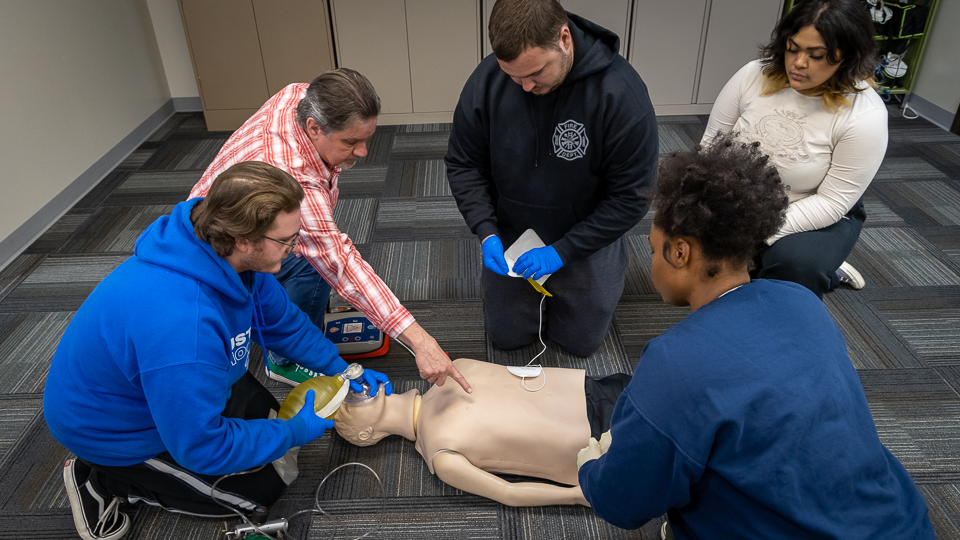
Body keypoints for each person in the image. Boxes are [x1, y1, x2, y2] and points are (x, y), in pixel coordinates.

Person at [575, 135, 934, 538]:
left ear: (680, 253)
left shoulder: (675, 361)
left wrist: (591, 468)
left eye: (655, 249)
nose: (652, 259)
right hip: (902, 523)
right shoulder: (801, 300)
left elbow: (622, 504)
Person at [44, 161, 392, 540]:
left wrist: (343, 369)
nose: (293, 251)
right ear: (244, 239)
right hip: (114, 430)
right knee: (260, 492)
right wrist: (291, 432)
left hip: (177, 382)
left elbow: (283, 324)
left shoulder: (226, 254)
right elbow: (203, 447)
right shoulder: (183, 326)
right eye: (286, 241)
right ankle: (104, 478)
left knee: (271, 435)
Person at [190, 68, 471, 393]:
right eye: (351, 141)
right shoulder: (294, 179)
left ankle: (290, 322)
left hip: (223, 218)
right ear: (313, 127)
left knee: (301, 269)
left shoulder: (300, 95)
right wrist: (421, 342)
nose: (364, 152)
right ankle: (282, 358)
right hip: (219, 251)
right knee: (313, 263)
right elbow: (341, 264)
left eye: (367, 138)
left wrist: (341, 368)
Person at [445, 0, 657, 357]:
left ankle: (607, 263)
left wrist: (565, 250)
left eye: (536, 73)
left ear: (564, 38)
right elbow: (463, 163)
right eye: (514, 76)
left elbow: (631, 197)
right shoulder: (487, 81)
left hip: (586, 231)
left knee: (581, 343)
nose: (524, 86)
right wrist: (485, 231)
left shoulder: (621, 94)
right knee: (506, 337)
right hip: (512, 231)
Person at [701, 0, 887, 298]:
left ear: (847, 57)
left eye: (817, 56)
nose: (799, 63)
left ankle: (820, 265)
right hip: (738, 199)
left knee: (794, 267)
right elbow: (710, 148)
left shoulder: (865, 115)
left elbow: (832, 202)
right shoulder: (752, 75)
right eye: (792, 48)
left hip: (813, 209)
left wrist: (754, 232)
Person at [330, 357, 630, 507]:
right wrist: (580, 495)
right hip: (598, 438)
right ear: (364, 435)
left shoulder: (450, 370)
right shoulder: (442, 455)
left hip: (594, 386)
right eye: (346, 407)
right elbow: (508, 492)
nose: (351, 391)